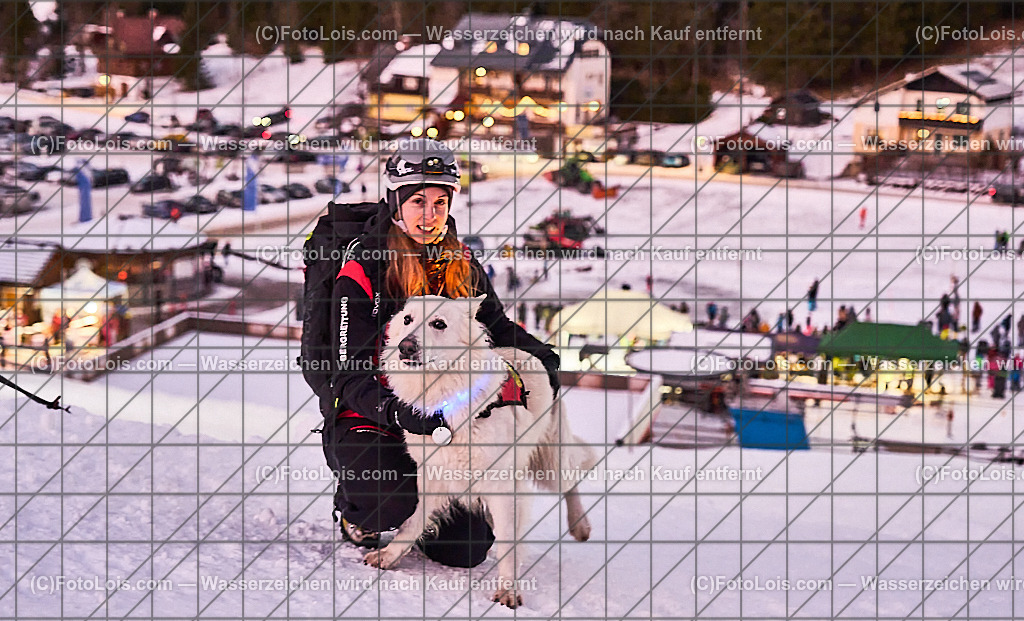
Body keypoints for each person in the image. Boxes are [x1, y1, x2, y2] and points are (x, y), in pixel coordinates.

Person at [308, 139, 560, 569]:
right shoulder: (365, 268)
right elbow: (346, 374)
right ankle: (358, 508)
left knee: (464, 549)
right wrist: (396, 413)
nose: (430, 215)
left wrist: (543, 360)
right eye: (418, 201)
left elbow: (496, 328)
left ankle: (421, 518)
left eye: (440, 202)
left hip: (446, 416)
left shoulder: (460, 262)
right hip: (373, 412)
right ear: (396, 201)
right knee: (385, 500)